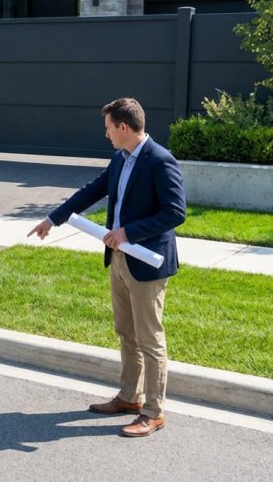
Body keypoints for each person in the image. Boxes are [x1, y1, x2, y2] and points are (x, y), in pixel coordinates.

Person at [27, 97, 186, 438]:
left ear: (124, 127)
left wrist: (129, 232)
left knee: (150, 338)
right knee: (125, 332)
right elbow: (90, 192)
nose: (107, 135)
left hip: (146, 263)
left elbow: (175, 213)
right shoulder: (120, 159)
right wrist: (52, 220)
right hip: (118, 260)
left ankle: (154, 412)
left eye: (109, 128)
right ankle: (130, 397)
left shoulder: (160, 160)